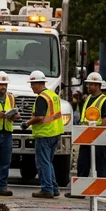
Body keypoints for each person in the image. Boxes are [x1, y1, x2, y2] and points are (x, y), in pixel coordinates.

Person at [21, 70, 63, 199]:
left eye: (33, 84)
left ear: (39, 83)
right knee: (48, 162)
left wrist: (27, 123)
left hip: (45, 134)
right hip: (55, 133)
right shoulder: (52, 95)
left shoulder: (41, 98)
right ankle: (54, 188)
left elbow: (39, 117)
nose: (31, 86)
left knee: (42, 163)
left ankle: (46, 189)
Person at [76, 72, 106, 178]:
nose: (88, 86)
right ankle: (80, 190)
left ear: (97, 85)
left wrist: (97, 134)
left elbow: (105, 122)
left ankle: (102, 190)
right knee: (82, 164)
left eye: (90, 84)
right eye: (87, 84)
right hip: (85, 137)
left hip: (98, 139)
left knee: (100, 165)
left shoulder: (105, 101)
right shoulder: (88, 98)